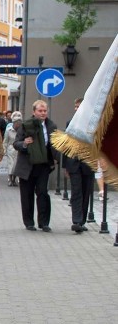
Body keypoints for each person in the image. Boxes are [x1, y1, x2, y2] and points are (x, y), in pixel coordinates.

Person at [13, 100, 59, 232]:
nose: (43, 113)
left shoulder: (51, 126)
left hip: (43, 165)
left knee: (43, 193)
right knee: (27, 195)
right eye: (40, 111)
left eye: (45, 111)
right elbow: (16, 143)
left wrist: (57, 159)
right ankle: (29, 222)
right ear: (34, 112)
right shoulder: (25, 126)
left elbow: (54, 144)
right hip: (27, 164)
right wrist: (25, 143)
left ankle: (44, 223)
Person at [64, 98, 94, 233]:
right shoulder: (70, 123)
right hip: (74, 164)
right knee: (76, 192)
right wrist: (65, 166)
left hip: (88, 163)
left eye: (79, 106)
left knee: (86, 191)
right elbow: (66, 146)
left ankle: (82, 221)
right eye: (75, 106)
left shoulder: (93, 124)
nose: (76, 109)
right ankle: (76, 220)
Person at [3, 111, 22, 186]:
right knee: (11, 165)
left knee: (16, 165)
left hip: (19, 149)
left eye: (19, 122)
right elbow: (5, 141)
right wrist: (4, 150)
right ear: (14, 123)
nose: (18, 124)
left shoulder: (22, 130)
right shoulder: (9, 130)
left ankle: (14, 179)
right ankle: (10, 179)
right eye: (17, 122)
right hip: (11, 149)